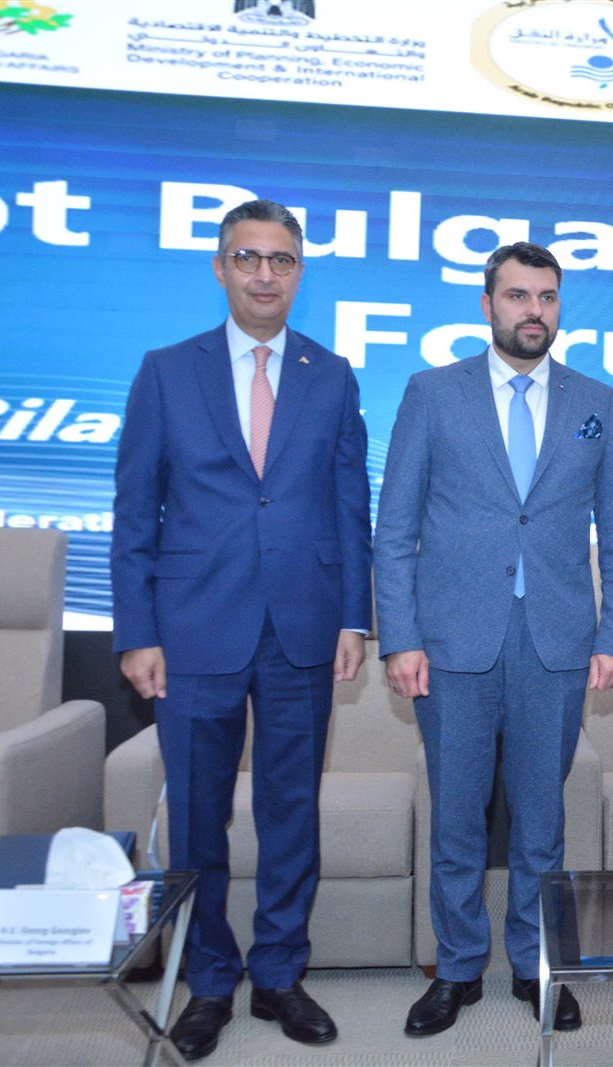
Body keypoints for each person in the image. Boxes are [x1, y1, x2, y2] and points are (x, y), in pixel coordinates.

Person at [111, 199, 372, 1060]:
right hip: (192, 630)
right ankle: (211, 979)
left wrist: (355, 615)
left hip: (303, 626)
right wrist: (136, 631)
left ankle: (280, 973)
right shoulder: (165, 371)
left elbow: (349, 504)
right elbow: (134, 514)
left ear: (300, 272)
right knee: (197, 818)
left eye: (282, 260)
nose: (265, 274)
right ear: (220, 267)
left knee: (292, 812)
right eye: (248, 257)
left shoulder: (332, 374)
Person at [374, 242, 613, 1037]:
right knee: (456, 818)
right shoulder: (431, 392)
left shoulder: (597, 400)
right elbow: (395, 528)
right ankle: (457, 966)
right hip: (451, 641)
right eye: (518, 295)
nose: (534, 310)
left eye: (546, 297)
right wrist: (399, 636)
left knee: (541, 822)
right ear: (487, 305)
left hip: (555, 641)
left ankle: (534, 962)